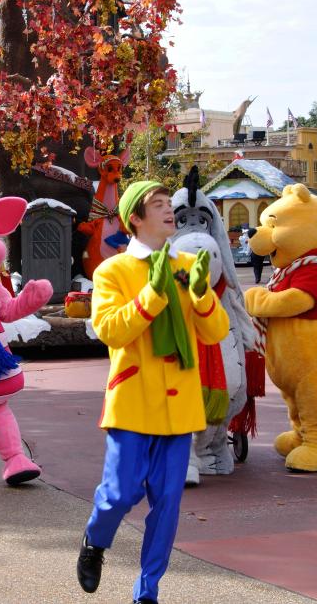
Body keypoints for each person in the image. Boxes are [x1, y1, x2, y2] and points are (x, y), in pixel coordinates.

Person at [76, 180, 228, 603]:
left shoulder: (186, 264)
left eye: (169, 205)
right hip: (134, 400)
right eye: (157, 205)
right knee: (121, 494)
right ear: (135, 220)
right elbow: (110, 330)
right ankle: (95, 540)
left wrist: (200, 295)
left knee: (167, 506)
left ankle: (147, 593)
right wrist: (153, 294)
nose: (168, 212)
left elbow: (215, 331)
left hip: (179, 406)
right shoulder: (113, 271)